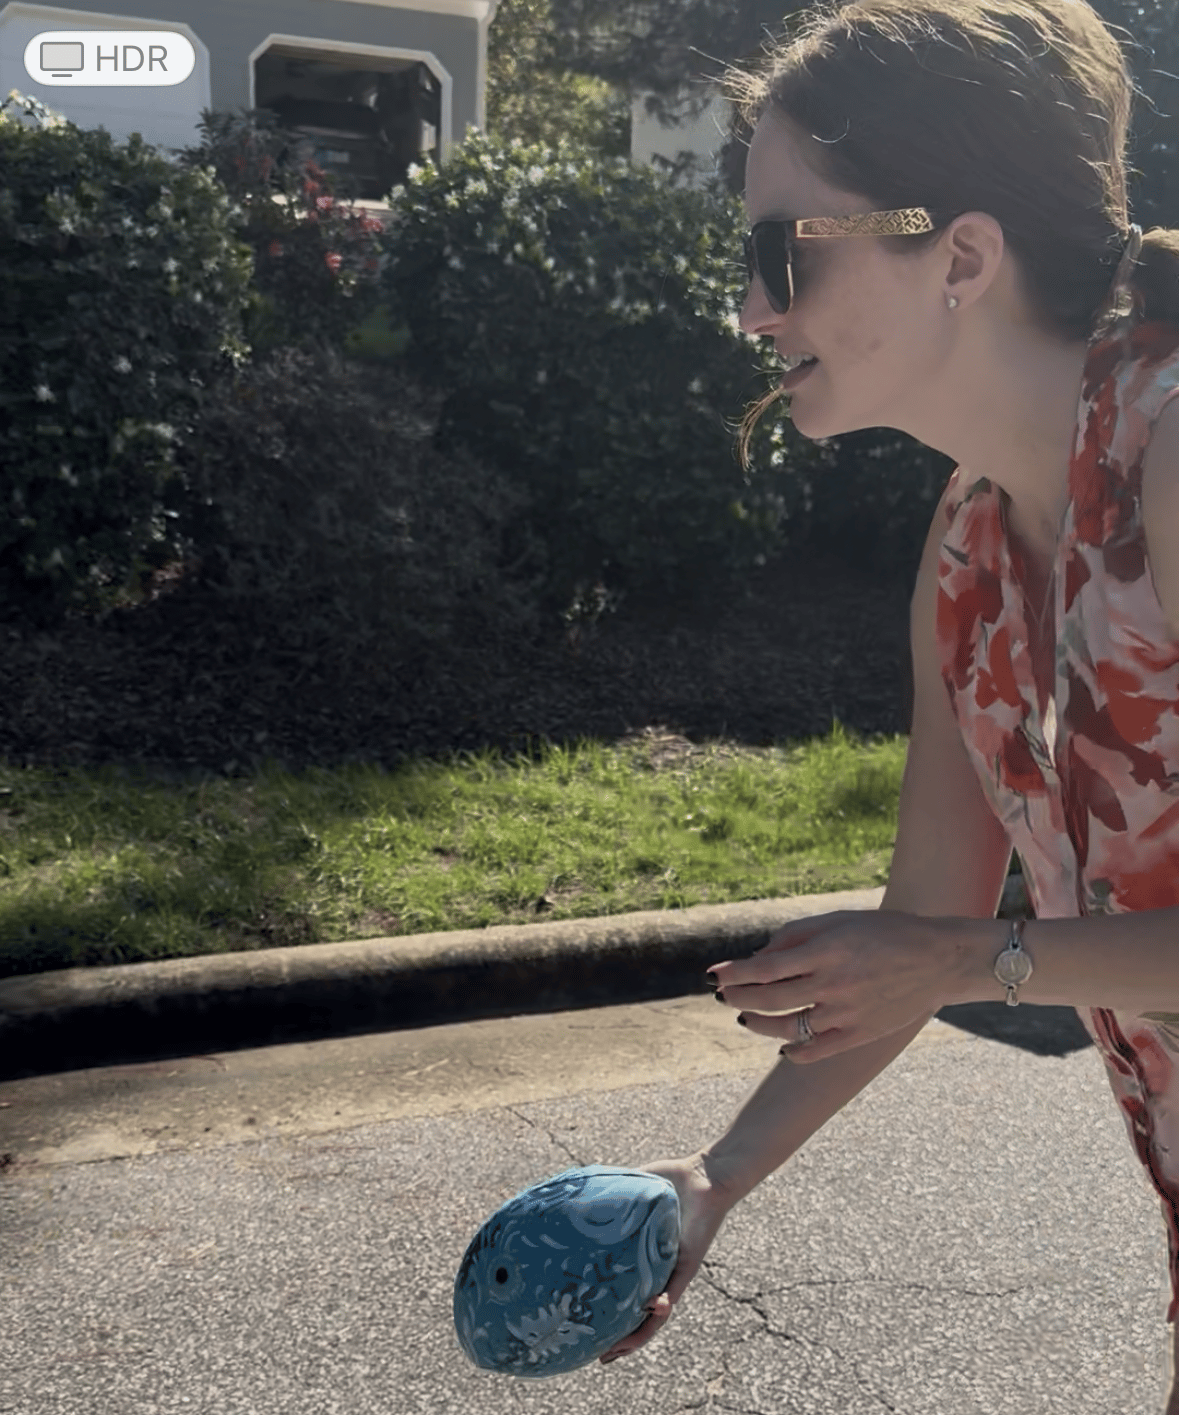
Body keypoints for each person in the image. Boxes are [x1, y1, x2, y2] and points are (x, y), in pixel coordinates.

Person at [596, 0, 1179, 1406]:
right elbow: (925, 917)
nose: (749, 307)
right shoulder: (966, 545)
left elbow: (941, 949)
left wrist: (979, 961)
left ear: (960, 258)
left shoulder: (1170, 444)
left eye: (780, 252)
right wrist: (710, 1179)